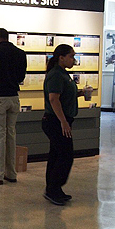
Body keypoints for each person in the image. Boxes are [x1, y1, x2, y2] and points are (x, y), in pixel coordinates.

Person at [41, 44, 86, 205]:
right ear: (61, 58)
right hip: (55, 121)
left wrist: (80, 93)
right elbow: (54, 99)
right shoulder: (56, 75)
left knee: (56, 155)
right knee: (66, 156)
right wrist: (63, 122)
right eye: (71, 56)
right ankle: (54, 188)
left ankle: (53, 189)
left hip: (60, 120)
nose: (74, 59)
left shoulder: (63, 74)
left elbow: (63, 95)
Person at [0, 28, 27, 185]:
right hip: (14, 97)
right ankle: (11, 173)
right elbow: (21, 77)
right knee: (11, 134)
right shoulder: (20, 53)